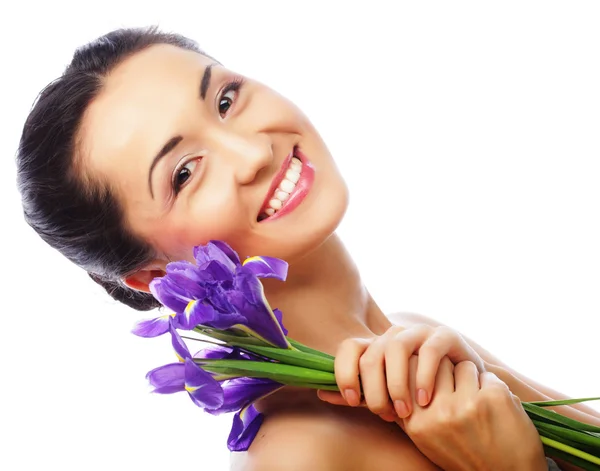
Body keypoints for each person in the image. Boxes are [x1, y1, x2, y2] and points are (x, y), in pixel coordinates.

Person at [16, 26, 598, 470]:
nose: (253, 154)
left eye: (224, 101)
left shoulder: (420, 341)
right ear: (152, 276)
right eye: (186, 173)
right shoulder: (299, 455)